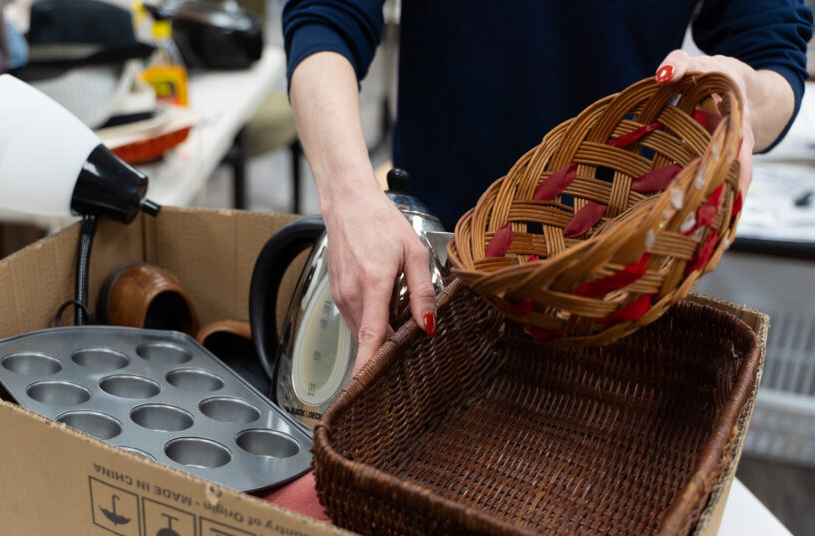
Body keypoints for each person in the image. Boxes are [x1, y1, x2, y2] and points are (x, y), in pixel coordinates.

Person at [282, 0, 813, 375]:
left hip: (609, 267)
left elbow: (773, 57)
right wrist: (349, 194)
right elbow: (326, 13)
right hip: (435, 254)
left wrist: (743, 98)